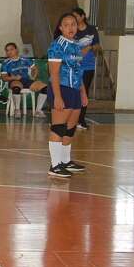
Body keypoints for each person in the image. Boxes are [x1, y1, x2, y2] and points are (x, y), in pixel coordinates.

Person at [47, 12, 88, 178]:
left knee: (70, 128)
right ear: (61, 28)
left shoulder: (76, 46)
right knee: (59, 127)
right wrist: (57, 96)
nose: (70, 27)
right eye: (67, 25)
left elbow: (79, 71)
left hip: (75, 90)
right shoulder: (57, 46)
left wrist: (83, 93)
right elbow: (54, 73)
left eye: (73, 24)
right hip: (61, 88)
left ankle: (65, 161)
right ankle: (55, 166)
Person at [1, 42, 48, 118]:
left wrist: (33, 77)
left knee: (45, 88)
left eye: (11, 49)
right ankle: (17, 110)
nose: (9, 52)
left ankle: (38, 111)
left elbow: (35, 69)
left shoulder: (25, 60)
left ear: (16, 50)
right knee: (16, 87)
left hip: (26, 80)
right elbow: (3, 77)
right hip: (14, 81)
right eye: (7, 50)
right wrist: (13, 78)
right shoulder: (6, 63)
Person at [72, 7, 101, 130]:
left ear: (82, 16)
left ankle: (80, 120)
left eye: (76, 16)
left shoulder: (91, 29)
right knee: (74, 91)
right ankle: (71, 118)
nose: (74, 19)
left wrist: (93, 47)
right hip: (75, 65)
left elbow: (97, 46)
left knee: (84, 92)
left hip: (88, 65)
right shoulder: (72, 30)